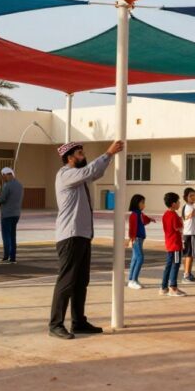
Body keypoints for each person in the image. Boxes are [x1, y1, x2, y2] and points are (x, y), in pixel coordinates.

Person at [49, 140, 124, 340]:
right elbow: (90, 171)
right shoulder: (66, 174)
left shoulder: (80, 178)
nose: (84, 156)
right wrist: (108, 153)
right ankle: (55, 324)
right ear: (70, 157)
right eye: (80, 153)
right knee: (66, 281)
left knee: (81, 281)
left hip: (82, 235)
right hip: (70, 236)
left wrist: (109, 158)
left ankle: (78, 322)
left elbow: (95, 173)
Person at [0, 166, 23, 264]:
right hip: (16, 214)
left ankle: (6, 257)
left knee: (6, 236)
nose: (2, 178)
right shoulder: (19, 185)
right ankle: (12, 258)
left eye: (2, 176)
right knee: (13, 236)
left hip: (7, 215)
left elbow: (2, 199)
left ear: (5, 175)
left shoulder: (7, 185)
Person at [160, 192, 187, 297]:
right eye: (178, 201)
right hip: (176, 245)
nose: (179, 203)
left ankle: (163, 287)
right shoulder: (174, 215)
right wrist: (181, 221)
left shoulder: (165, 214)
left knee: (168, 266)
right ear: (173, 204)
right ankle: (173, 287)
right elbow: (178, 228)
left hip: (169, 243)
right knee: (175, 265)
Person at [127, 194, 152, 290]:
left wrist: (150, 219)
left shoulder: (140, 214)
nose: (144, 204)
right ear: (136, 203)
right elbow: (132, 228)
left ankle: (132, 280)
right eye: (142, 202)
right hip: (136, 239)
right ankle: (133, 280)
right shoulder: (134, 215)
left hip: (140, 239)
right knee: (140, 258)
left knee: (135, 259)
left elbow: (144, 220)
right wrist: (131, 239)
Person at [181, 187, 195, 283]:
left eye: (194, 195)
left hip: (187, 233)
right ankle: (187, 275)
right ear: (185, 197)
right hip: (191, 234)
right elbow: (188, 216)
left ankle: (186, 273)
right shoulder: (190, 207)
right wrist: (191, 214)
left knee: (187, 255)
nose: (193, 197)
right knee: (190, 255)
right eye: (191, 196)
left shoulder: (186, 206)